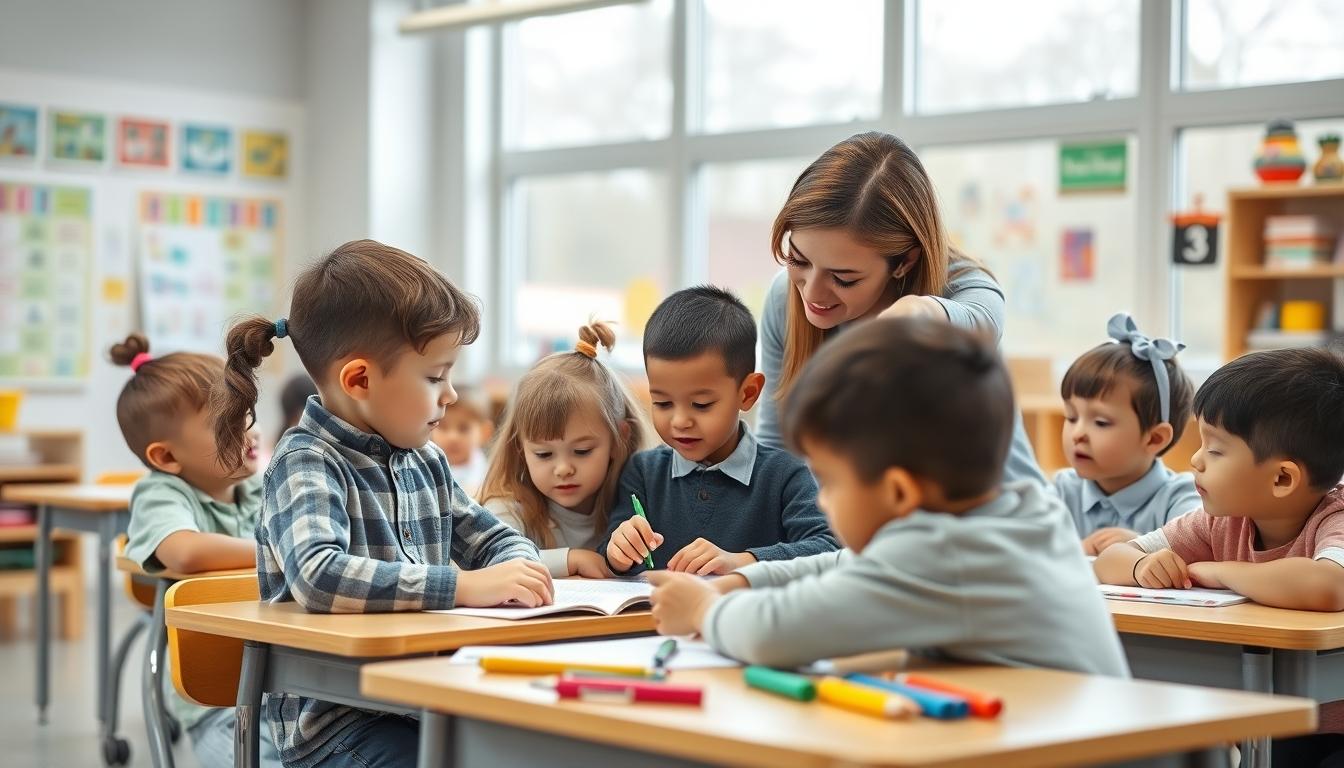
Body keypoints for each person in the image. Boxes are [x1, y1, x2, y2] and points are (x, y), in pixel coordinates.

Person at [213, 239, 551, 768]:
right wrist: (462, 586)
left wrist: (518, 568)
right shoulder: (307, 462)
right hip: (340, 726)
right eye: (435, 377)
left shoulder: (426, 460)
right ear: (360, 379)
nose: (450, 395)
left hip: (421, 700)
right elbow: (318, 575)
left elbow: (493, 538)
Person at [646, 317, 1128, 677]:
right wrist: (743, 580)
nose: (822, 501)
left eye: (830, 481)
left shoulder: (947, 556)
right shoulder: (1022, 511)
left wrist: (703, 610)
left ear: (898, 492)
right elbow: (846, 564)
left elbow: (775, 633)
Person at [756, 131, 1045, 487]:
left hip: (1003, 510)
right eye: (798, 260)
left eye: (843, 278)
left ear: (904, 261)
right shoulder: (784, 299)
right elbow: (779, 450)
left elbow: (984, 321)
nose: (811, 292)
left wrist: (917, 315)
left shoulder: (962, 287)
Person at [111, 332, 281, 768]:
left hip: (287, 693)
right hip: (217, 710)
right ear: (167, 458)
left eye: (248, 414)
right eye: (227, 424)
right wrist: (280, 552)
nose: (249, 431)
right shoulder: (161, 493)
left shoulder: (258, 488)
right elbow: (183, 551)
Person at [605, 286, 838, 575]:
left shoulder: (783, 474)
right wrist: (618, 552)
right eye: (663, 403)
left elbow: (828, 549)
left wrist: (742, 562)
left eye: (701, 405)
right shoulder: (642, 472)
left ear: (748, 393)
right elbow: (610, 555)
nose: (680, 421)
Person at [479, 322, 648, 578]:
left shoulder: (631, 502)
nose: (563, 469)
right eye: (544, 454)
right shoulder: (508, 508)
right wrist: (572, 560)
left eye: (582, 451)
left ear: (619, 439)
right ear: (521, 450)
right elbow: (490, 560)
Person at [1054, 313, 1199, 554]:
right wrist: (1079, 551)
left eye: (1101, 422)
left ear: (1154, 438)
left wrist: (1143, 547)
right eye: (1071, 417)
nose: (1077, 434)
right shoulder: (1062, 491)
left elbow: (1198, 554)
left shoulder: (1181, 498)